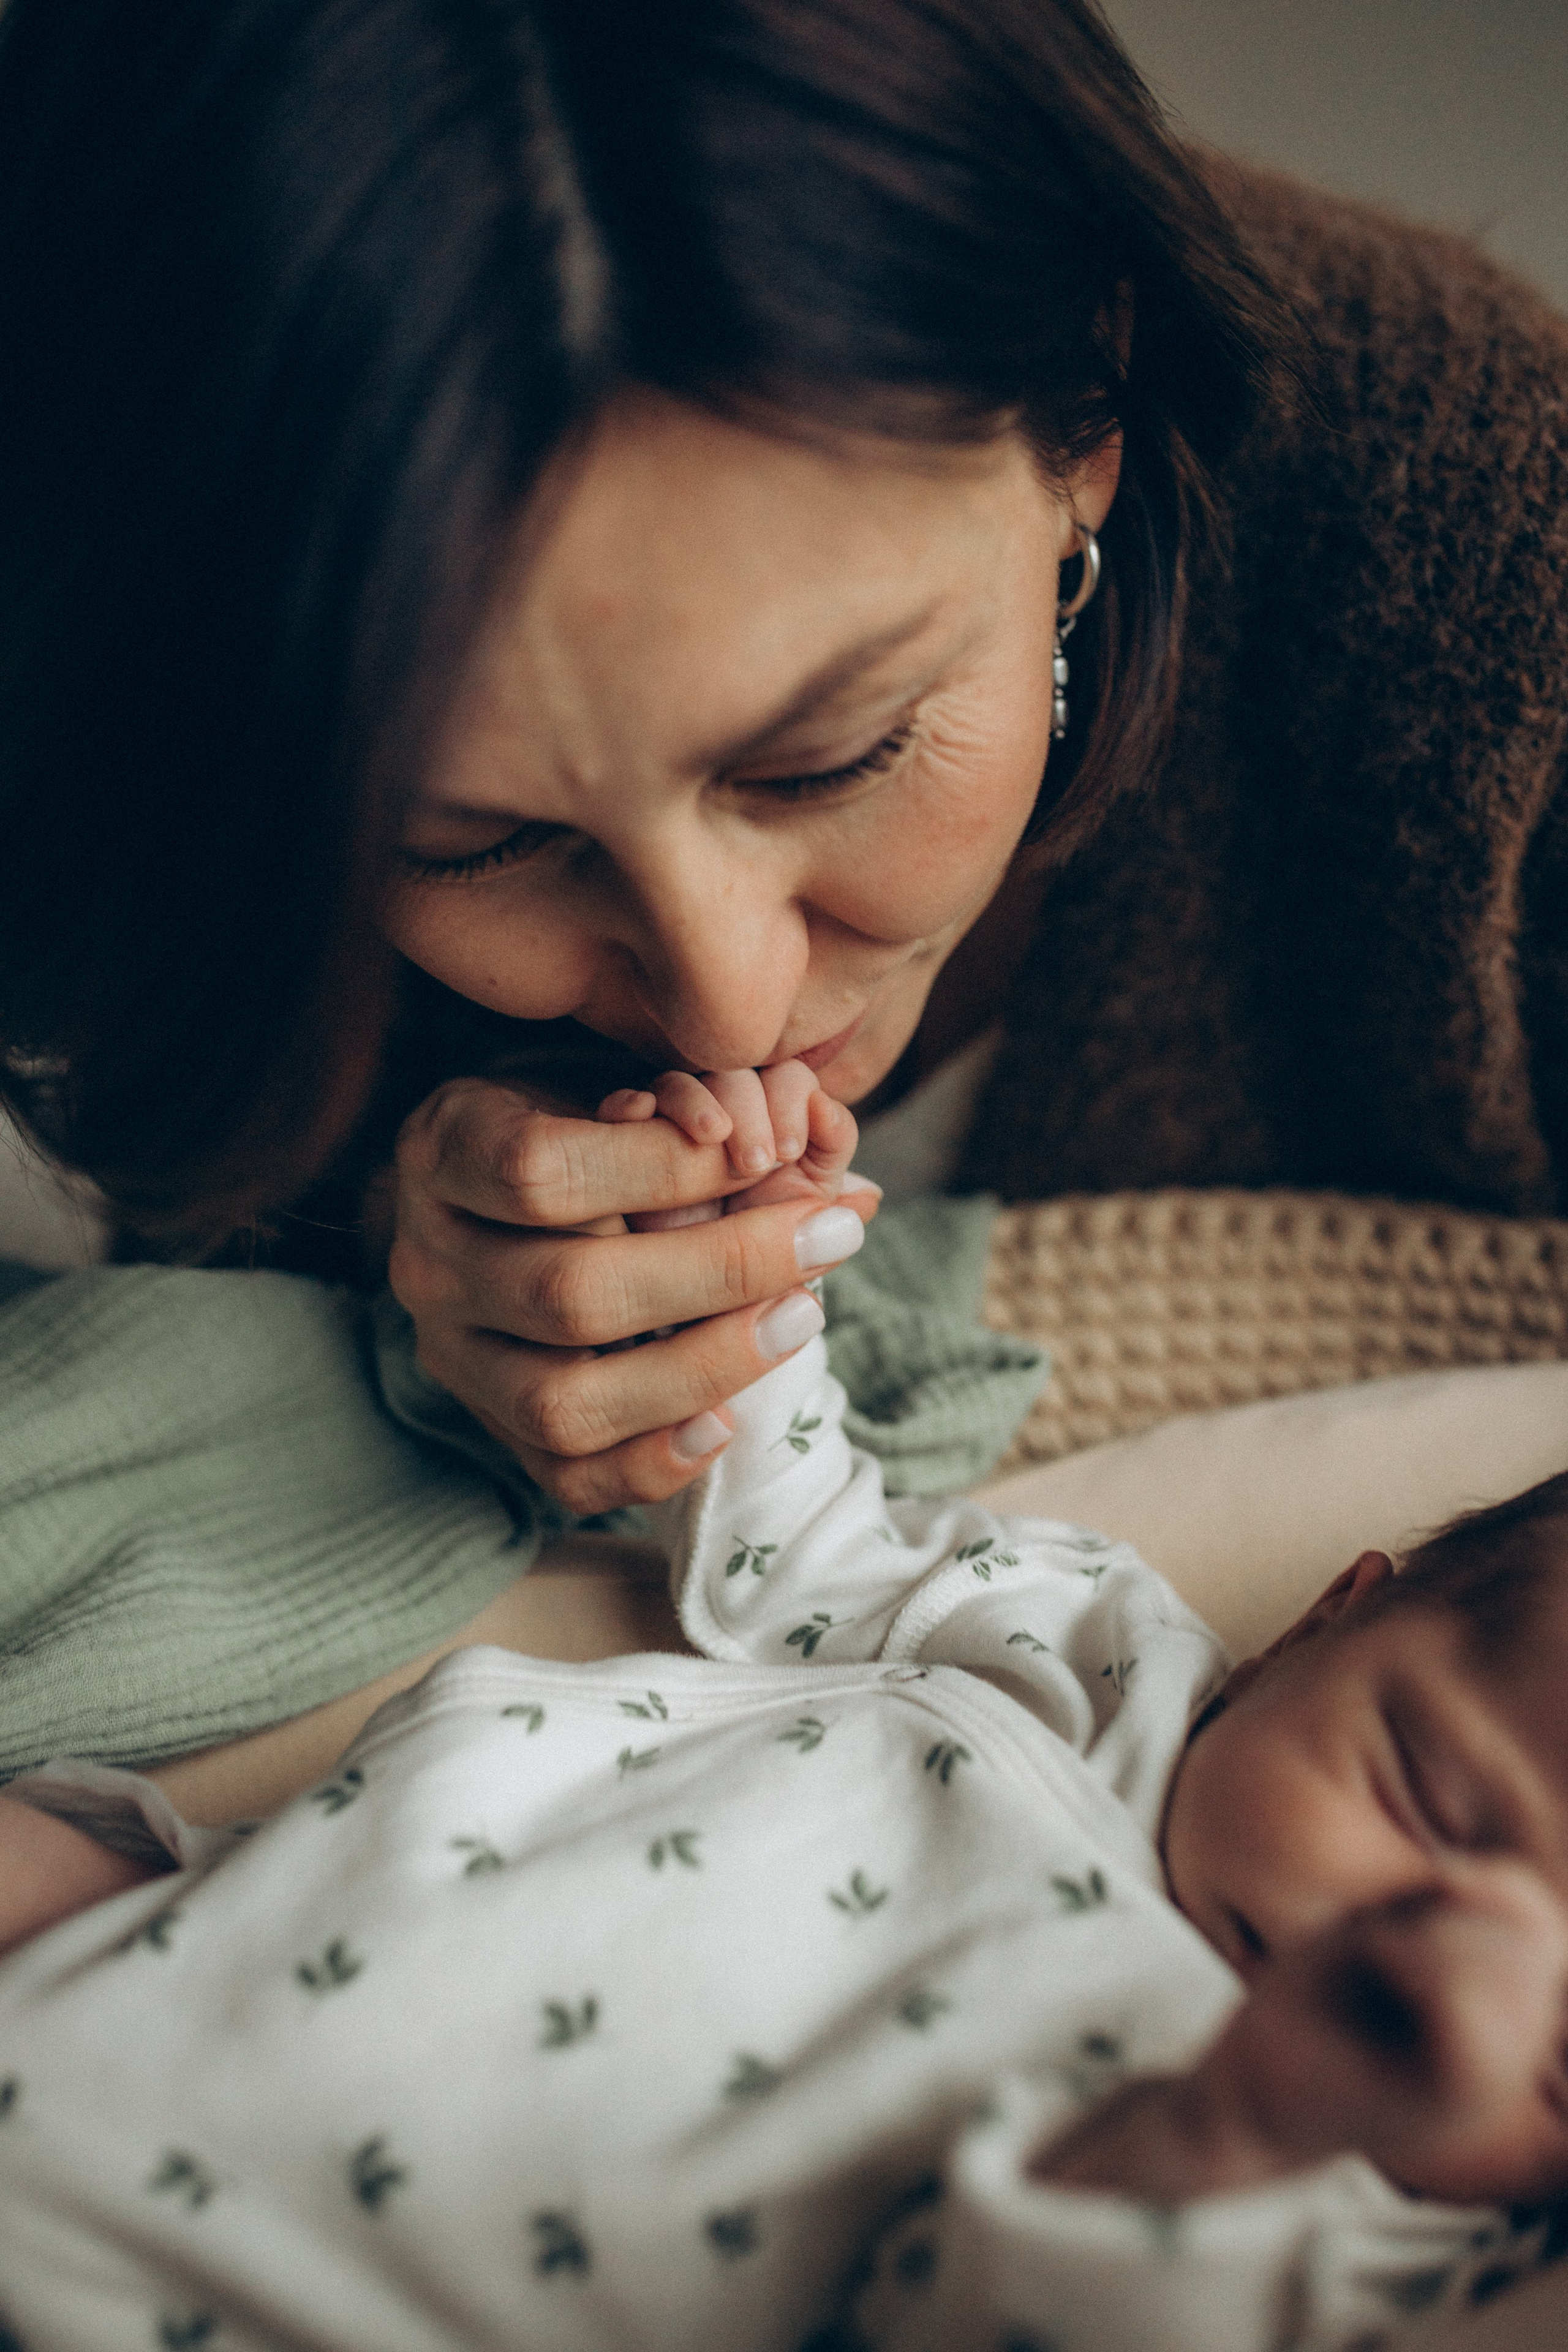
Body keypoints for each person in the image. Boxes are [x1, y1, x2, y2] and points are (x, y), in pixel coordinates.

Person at [1, 0, 1564, 1586]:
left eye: (837, 754)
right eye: (469, 846)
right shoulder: (125, 653)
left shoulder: (1497, 574)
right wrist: (381, 1266)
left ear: (1092, 415)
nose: (729, 1004)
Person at [4, 1173, 1568, 2347]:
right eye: (1424, 1797)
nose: (1437, 1943)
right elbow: (810, 1547)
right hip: (214, 1907)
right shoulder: (1093, 1649)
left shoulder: (1358, 2245)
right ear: (1322, 1623)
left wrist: (1241, 2130)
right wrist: (735, 1273)